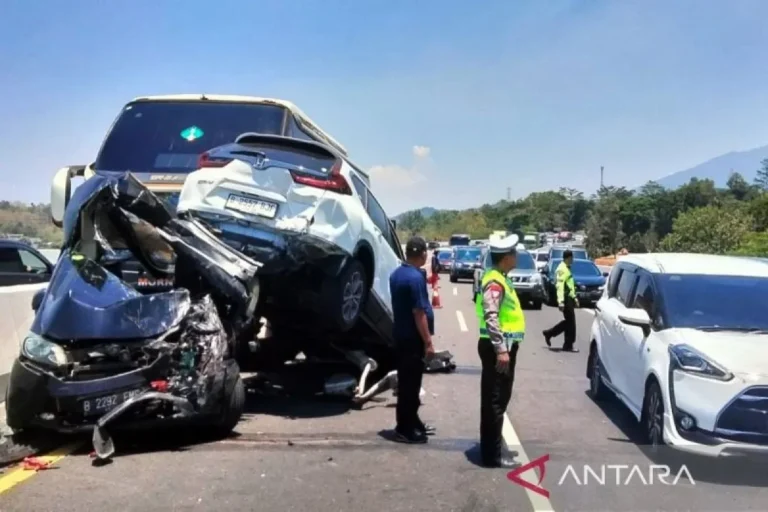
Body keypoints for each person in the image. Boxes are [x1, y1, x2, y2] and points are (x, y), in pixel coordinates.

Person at [476, 234, 525, 469]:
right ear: (505, 258)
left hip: (501, 347)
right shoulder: (495, 282)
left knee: (498, 399)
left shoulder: (500, 278)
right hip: (498, 348)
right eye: (513, 253)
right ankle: (491, 456)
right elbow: (491, 315)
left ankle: (492, 448)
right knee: (495, 401)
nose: (516, 257)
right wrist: (501, 350)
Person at [389, 236, 436, 444]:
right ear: (424, 254)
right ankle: (403, 428)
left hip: (400, 335)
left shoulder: (397, 274)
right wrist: (428, 342)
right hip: (412, 340)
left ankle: (413, 421)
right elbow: (419, 313)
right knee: (410, 387)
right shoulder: (415, 278)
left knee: (409, 384)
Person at [542, 249, 579, 352]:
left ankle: (550, 334)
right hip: (565, 298)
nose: (573, 260)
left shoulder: (567, 268)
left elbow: (570, 285)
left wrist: (575, 297)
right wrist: (561, 301)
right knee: (571, 323)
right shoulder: (562, 269)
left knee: (569, 322)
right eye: (572, 258)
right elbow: (560, 286)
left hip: (569, 298)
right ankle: (567, 344)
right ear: (568, 258)